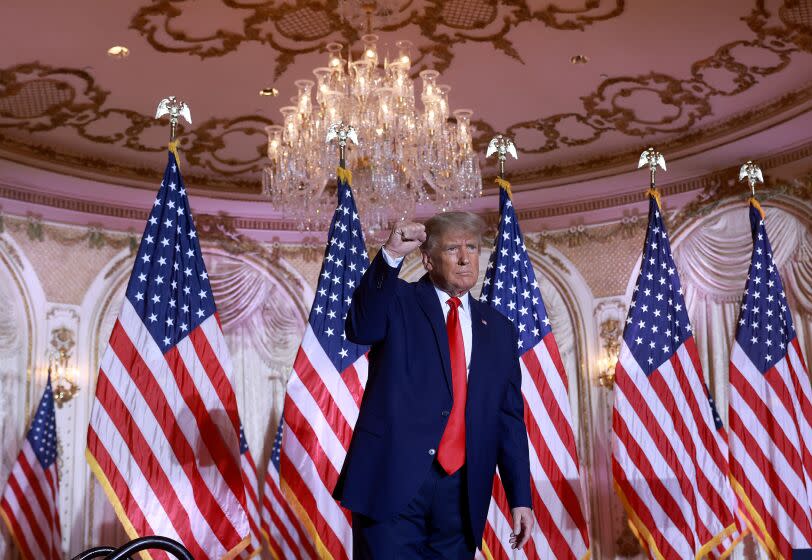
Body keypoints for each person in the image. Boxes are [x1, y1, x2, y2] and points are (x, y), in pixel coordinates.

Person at [333, 211, 534, 559]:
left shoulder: (499, 328)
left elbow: (508, 418)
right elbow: (361, 328)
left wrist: (520, 498)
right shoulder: (398, 299)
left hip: (462, 490)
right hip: (392, 479)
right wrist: (391, 255)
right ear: (428, 259)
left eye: (472, 247)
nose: (464, 257)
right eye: (453, 248)